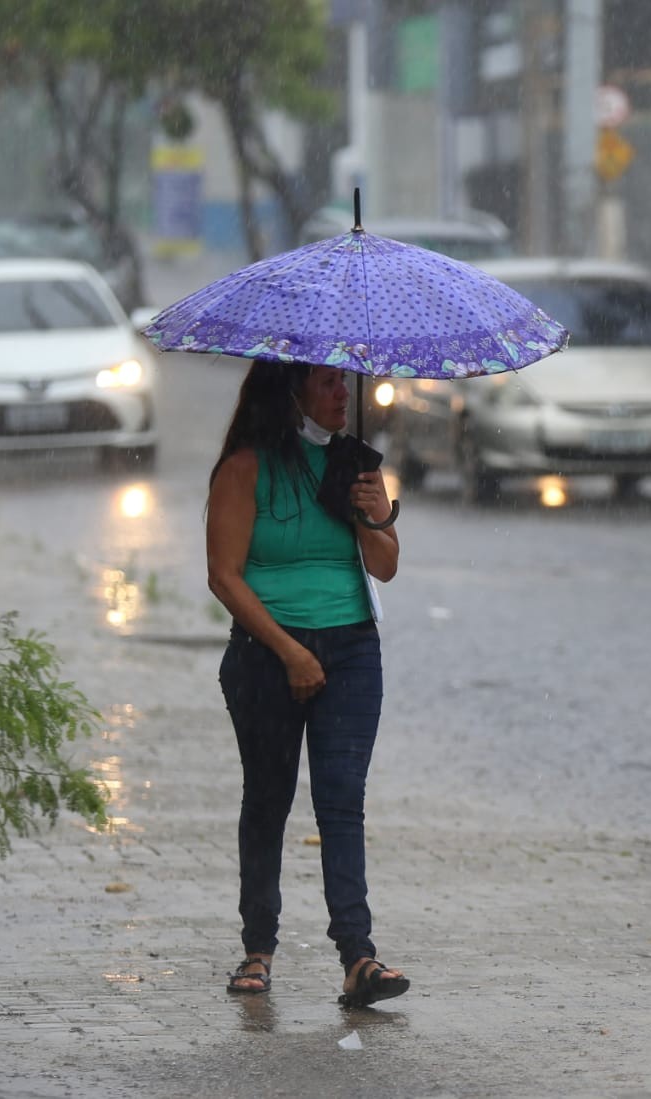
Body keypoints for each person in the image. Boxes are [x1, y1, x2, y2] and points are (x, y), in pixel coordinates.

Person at [205, 361, 410, 1008]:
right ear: (289, 390)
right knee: (268, 798)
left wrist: (375, 516)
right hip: (267, 654)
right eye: (324, 382)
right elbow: (223, 576)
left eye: (343, 382)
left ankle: (358, 957)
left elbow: (386, 567)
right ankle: (257, 949)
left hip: (351, 650)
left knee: (342, 800)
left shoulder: (354, 465)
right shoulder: (246, 467)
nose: (339, 394)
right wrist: (289, 650)